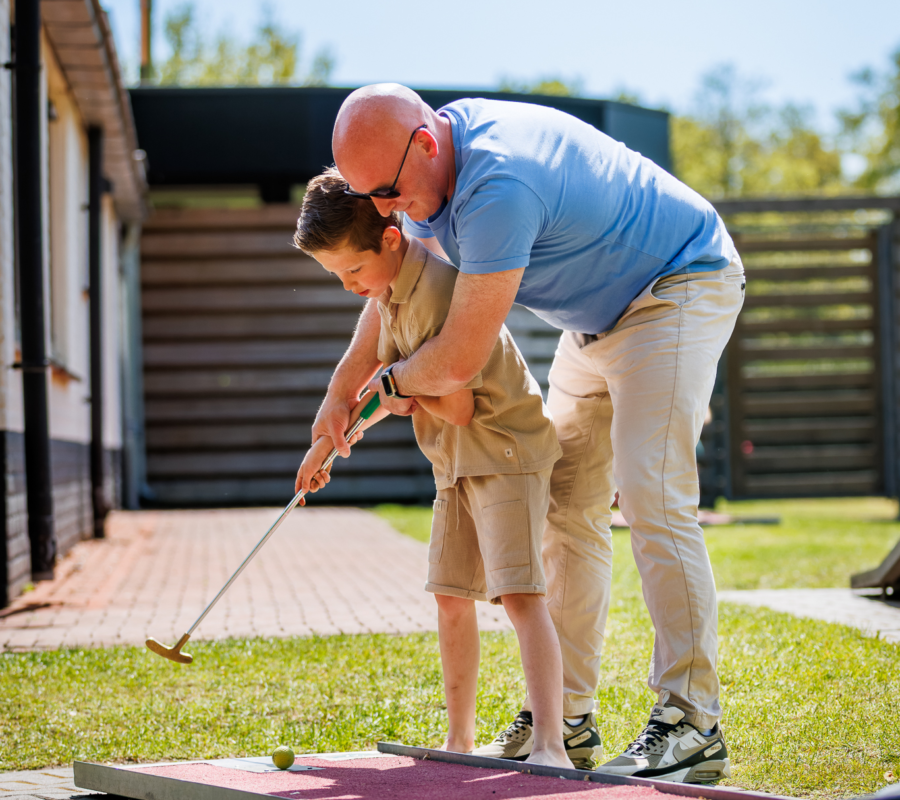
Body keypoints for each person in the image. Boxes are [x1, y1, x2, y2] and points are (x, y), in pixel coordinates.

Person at [313, 83, 745, 783]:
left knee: (651, 493)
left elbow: (455, 357)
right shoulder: (419, 181)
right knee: (567, 499)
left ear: (424, 144)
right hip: (597, 321)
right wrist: (338, 395)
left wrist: (384, 390)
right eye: (373, 201)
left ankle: (691, 723)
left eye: (388, 193)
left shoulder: (497, 186)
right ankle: (566, 723)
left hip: (678, 285)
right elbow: (390, 296)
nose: (384, 213)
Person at [292, 167, 602, 770]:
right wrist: (323, 446)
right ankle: (459, 741)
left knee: (519, 596)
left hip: (502, 454)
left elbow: (455, 405)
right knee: (451, 596)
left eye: (353, 271)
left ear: (389, 238)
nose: (350, 287)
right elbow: (383, 383)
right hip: (456, 462)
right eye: (337, 277)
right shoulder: (389, 296)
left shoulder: (435, 293)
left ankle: (551, 744)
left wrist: (400, 393)